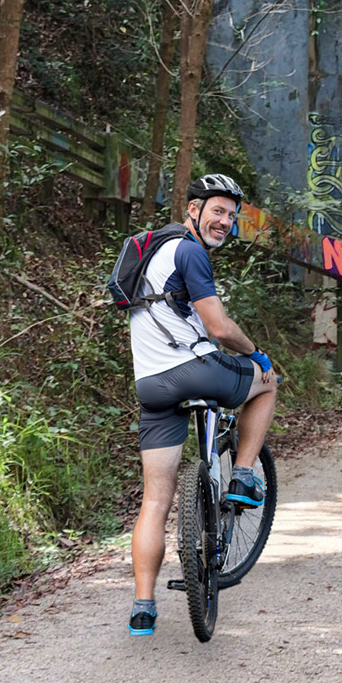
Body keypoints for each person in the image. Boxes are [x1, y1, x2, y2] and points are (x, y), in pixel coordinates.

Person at [126, 174, 279, 636]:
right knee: (267, 384)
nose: (225, 222)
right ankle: (245, 474)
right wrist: (255, 354)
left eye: (232, 216)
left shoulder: (155, 253)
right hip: (192, 370)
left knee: (156, 499)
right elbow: (219, 328)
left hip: (150, 384)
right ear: (193, 209)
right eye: (218, 211)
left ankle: (143, 607)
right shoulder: (190, 251)